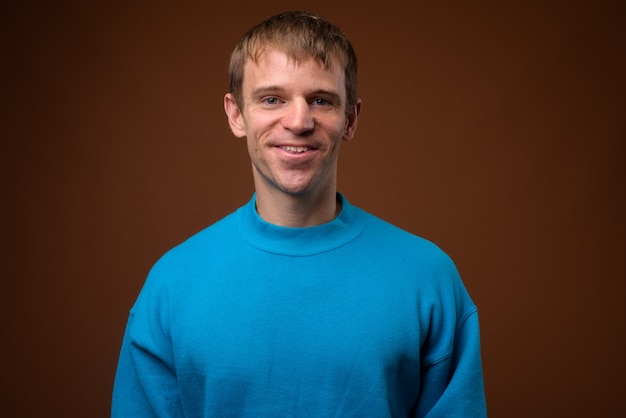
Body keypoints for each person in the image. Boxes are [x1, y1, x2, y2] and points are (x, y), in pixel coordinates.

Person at [112, 10, 487, 417]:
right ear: (236, 114)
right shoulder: (172, 283)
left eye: (321, 100)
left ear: (351, 118)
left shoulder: (428, 278)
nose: (298, 121)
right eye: (272, 99)